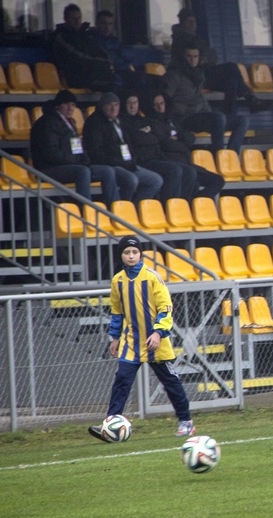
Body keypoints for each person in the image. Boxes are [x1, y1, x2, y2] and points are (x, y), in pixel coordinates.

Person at [88, 235, 196, 442]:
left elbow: (166, 308)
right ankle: (110, 425)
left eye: (134, 252)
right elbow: (117, 311)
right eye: (127, 253)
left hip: (156, 341)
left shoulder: (152, 277)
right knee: (122, 381)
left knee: (170, 382)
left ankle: (186, 421)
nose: (131, 256)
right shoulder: (117, 280)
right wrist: (114, 337)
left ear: (140, 254)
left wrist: (158, 332)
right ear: (121, 256)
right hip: (131, 342)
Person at [169, 8, 270, 118]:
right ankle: (250, 100)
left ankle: (229, 115)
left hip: (204, 72)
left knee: (232, 81)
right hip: (195, 77)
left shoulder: (195, 37)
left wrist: (206, 58)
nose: (193, 24)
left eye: (194, 21)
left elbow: (213, 56)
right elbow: (202, 58)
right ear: (182, 22)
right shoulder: (180, 39)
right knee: (231, 67)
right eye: (189, 21)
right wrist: (204, 59)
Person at [30, 90, 119, 202]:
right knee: (82, 171)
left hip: (72, 165)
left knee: (107, 171)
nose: (70, 108)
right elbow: (51, 154)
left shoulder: (69, 123)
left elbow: (78, 148)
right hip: (49, 169)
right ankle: (86, 210)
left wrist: (85, 161)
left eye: (73, 105)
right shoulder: (46, 123)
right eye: (66, 104)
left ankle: (114, 212)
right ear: (58, 106)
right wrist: (76, 161)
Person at [161, 43, 247, 154]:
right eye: (189, 56)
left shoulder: (199, 75)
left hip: (198, 116)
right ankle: (219, 154)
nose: (192, 60)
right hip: (182, 119)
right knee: (218, 117)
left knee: (242, 120)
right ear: (182, 57)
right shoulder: (173, 75)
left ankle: (231, 155)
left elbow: (199, 98)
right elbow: (164, 99)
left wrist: (208, 112)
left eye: (195, 56)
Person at [82, 92, 163, 202]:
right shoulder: (95, 122)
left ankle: (134, 209)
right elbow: (96, 152)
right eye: (109, 105)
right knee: (131, 180)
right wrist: (119, 162)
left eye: (116, 105)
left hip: (127, 164)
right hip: (110, 165)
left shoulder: (118, 120)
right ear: (102, 106)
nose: (113, 108)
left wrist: (133, 160)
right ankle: (121, 208)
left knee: (156, 181)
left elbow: (128, 143)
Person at [121, 92, 197, 201]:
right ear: (124, 104)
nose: (133, 106)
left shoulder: (145, 120)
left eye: (135, 102)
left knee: (190, 172)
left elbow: (160, 135)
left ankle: (183, 207)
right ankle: (169, 208)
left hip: (157, 157)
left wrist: (146, 135)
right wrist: (148, 135)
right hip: (142, 161)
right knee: (174, 170)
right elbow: (138, 139)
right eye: (129, 103)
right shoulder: (122, 122)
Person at [148, 92, 225, 200]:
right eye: (156, 104)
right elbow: (167, 145)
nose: (160, 107)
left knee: (218, 180)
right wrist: (181, 141)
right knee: (192, 178)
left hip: (187, 162)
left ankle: (195, 204)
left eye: (162, 103)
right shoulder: (152, 124)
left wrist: (179, 137)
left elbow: (190, 138)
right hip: (173, 163)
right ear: (152, 107)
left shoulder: (172, 120)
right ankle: (185, 207)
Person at [50, 4, 116, 92]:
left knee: (120, 79)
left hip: (91, 74)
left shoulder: (85, 36)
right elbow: (77, 57)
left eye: (79, 18)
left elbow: (100, 51)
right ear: (65, 19)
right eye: (73, 18)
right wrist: (103, 64)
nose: (77, 21)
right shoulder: (61, 36)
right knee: (114, 83)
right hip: (73, 76)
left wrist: (109, 63)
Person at [89, 10, 146, 95]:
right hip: (104, 73)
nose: (107, 27)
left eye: (110, 24)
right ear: (97, 23)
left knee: (140, 78)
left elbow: (124, 56)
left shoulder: (115, 41)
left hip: (121, 70)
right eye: (104, 23)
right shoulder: (92, 40)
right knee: (117, 80)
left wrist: (128, 65)